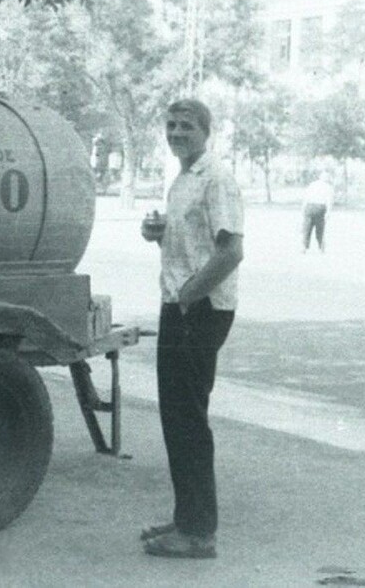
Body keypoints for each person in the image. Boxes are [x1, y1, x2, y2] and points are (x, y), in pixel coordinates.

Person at [139, 99, 244, 560]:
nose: (177, 132)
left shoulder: (215, 178)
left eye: (187, 125)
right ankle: (187, 519)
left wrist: (188, 296)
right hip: (180, 305)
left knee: (187, 420)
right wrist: (157, 233)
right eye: (172, 124)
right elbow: (194, 242)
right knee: (176, 417)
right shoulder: (183, 178)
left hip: (200, 309)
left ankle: (199, 533)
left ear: (207, 131)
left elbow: (231, 251)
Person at [301, 171, 334, 253]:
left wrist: (303, 209)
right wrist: (328, 212)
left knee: (307, 228)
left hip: (309, 207)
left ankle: (304, 247)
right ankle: (321, 247)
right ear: (327, 179)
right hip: (320, 207)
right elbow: (329, 201)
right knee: (320, 228)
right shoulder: (328, 187)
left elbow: (306, 197)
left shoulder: (312, 185)